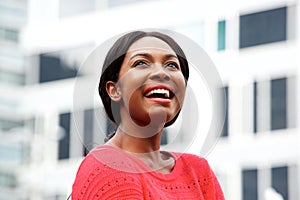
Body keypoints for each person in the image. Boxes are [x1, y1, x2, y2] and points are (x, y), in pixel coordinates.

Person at [72, 30, 225, 199]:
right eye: (141, 63)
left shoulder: (198, 171)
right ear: (114, 90)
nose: (162, 73)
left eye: (172, 65)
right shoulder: (108, 167)